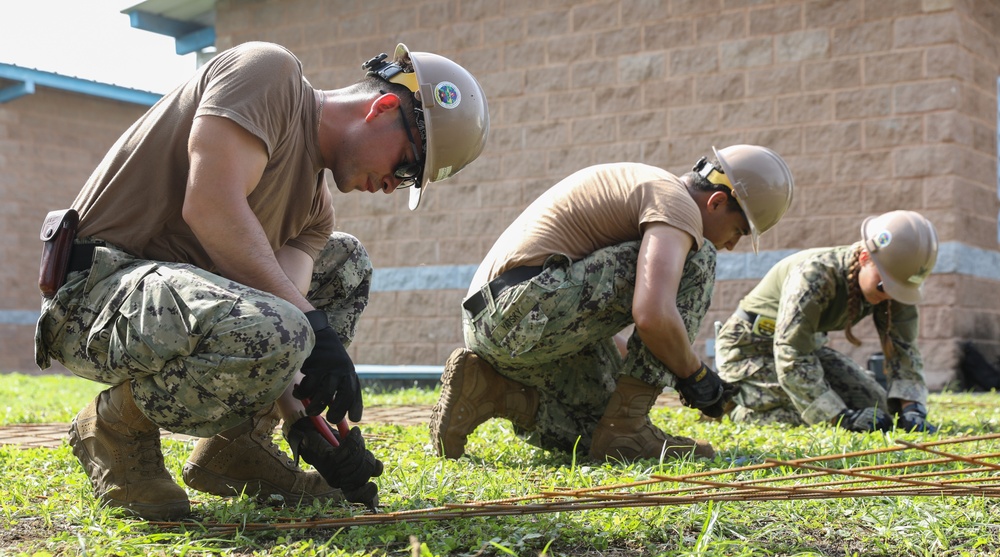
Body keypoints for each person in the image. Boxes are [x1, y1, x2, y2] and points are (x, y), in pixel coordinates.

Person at [33, 42, 489, 520]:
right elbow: (210, 204)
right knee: (293, 325)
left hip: (170, 309)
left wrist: (307, 424)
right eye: (407, 166)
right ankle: (113, 428)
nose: (396, 185)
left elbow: (280, 316)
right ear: (385, 107)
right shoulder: (269, 74)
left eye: (411, 182)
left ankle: (238, 447)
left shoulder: (314, 215)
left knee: (343, 262)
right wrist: (314, 328)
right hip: (94, 294)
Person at [429, 146, 794, 462]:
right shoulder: (677, 205)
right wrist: (694, 374)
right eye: (738, 232)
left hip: (499, 323)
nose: (732, 244)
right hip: (521, 309)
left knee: (602, 432)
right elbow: (652, 314)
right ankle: (631, 427)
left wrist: (626, 372)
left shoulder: (653, 190)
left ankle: (488, 391)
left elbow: (597, 320)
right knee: (700, 260)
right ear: (716, 202)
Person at [714, 210, 939, 433]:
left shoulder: (893, 279)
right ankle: (735, 406)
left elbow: (904, 349)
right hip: (748, 351)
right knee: (809, 412)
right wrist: (840, 418)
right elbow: (791, 353)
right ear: (864, 258)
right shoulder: (814, 275)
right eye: (884, 286)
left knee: (877, 407)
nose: (890, 295)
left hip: (806, 350)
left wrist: (912, 409)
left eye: (899, 290)